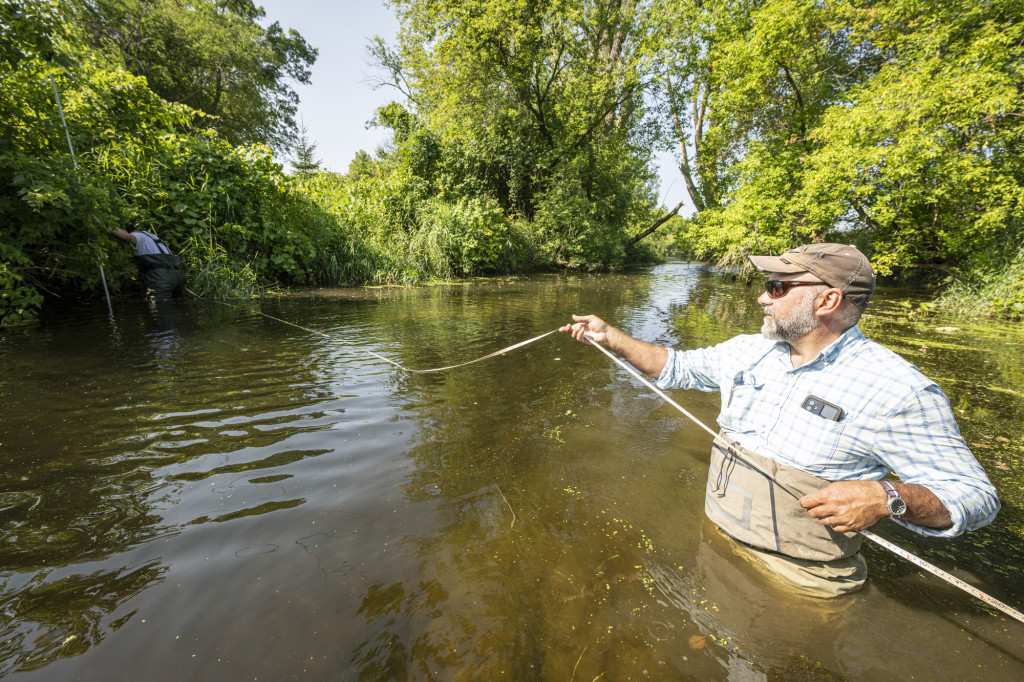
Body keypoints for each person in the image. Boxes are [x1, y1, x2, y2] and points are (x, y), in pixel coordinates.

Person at [560, 243, 1000, 597]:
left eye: (776, 287)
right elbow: (673, 366)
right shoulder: (746, 349)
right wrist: (610, 337)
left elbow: (975, 498)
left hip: (804, 584)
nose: (761, 297)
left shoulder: (898, 390)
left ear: (827, 300)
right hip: (716, 540)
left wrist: (888, 498)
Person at [111, 225, 185, 300]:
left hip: (161, 277)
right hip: (178, 275)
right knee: (178, 304)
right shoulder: (152, 237)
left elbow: (129, 237)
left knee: (160, 307)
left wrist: (105, 225)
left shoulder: (137, 236)